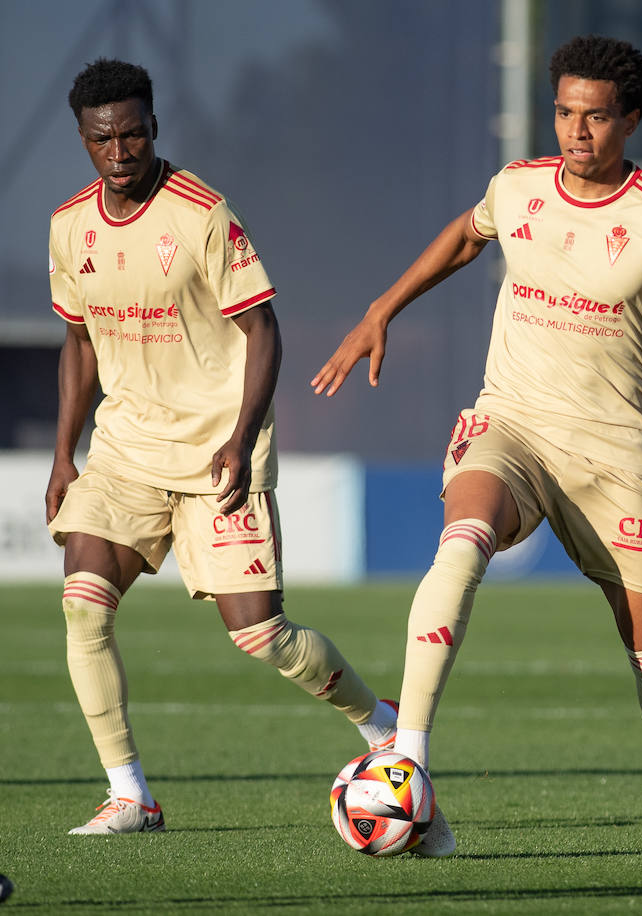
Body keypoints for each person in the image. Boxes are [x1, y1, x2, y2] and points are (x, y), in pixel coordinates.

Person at [312, 35, 642, 856]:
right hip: (511, 423)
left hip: (612, 456)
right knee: (461, 544)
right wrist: (384, 307)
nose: (576, 131)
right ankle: (406, 754)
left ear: (631, 120)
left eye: (595, 117)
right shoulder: (518, 187)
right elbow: (465, 234)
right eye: (563, 112)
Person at [46, 59, 396, 836]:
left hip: (214, 452)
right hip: (125, 450)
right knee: (82, 607)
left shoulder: (202, 213)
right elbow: (77, 344)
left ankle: (381, 722)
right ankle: (130, 793)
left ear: (154, 128)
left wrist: (241, 440)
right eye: (104, 137)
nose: (121, 150)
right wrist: (65, 455)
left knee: (261, 634)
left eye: (133, 132)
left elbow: (261, 328)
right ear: (83, 139)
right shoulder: (69, 226)